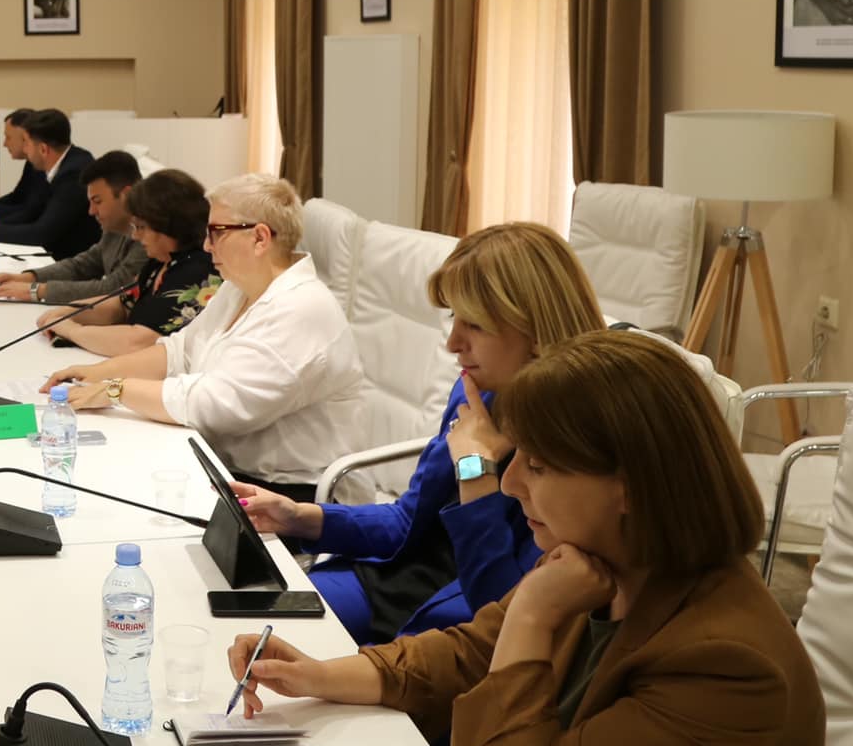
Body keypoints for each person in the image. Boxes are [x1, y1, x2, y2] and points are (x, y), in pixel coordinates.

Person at [226, 331, 846, 746]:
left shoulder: (725, 663)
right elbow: (467, 651)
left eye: (540, 465)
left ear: (631, 487)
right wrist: (317, 675)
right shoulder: (602, 560)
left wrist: (530, 616)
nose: (511, 482)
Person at [233, 222, 607, 645]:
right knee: (248, 622)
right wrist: (300, 517)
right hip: (396, 580)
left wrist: (475, 470)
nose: (452, 343)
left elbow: (505, 612)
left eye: (475, 325)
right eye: (453, 318)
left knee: (288, 658)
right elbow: (407, 519)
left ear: (536, 332)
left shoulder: (578, 444)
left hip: (462, 620)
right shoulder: (476, 394)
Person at [43, 173, 365, 501]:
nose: (207, 245)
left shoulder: (301, 309)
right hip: (228, 467)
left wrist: (116, 390)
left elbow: (217, 405)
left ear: (259, 238)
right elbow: (179, 351)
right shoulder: (238, 288)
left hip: (292, 494)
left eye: (216, 233)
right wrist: (94, 373)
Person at [39, 169, 218, 356]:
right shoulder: (162, 262)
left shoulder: (198, 270)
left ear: (167, 225)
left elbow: (139, 342)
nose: (135, 236)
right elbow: (121, 306)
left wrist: (71, 331)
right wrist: (66, 312)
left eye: (141, 227)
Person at [0, 149, 146, 303]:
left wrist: (36, 291)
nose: (91, 211)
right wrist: (27, 278)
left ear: (126, 195)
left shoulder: (149, 236)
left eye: (97, 201)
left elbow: (113, 289)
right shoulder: (115, 226)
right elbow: (83, 265)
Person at [0, 108, 99, 259]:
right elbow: (33, 211)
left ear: (43, 150)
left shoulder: (73, 174)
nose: (25, 149)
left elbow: (42, 233)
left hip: (73, 263)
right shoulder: (62, 165)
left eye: (26, 142)